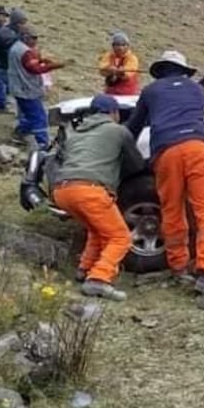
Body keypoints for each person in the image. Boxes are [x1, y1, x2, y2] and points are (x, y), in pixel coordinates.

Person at [124, 51, 204, 291]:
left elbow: (134, 126)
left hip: (167, 152)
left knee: (172, 209)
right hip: (198, 149)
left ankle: (178, 266)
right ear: (183, 70)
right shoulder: (197, 90)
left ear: (160, 71)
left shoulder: (151, 91)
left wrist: (125, 152)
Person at [53, 94, 146, 301]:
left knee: (97, 230)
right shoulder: (118, 131)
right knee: (120, 238)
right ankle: (99, 279)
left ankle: (85, 269)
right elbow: (136, 165)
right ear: (113, 113)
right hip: (90, 190)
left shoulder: (74, 132)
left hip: (62, 191)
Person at [7, 26, 64, 149]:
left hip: (18, 88)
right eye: (33, 38)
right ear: (25, 37)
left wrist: (40, 59)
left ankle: (19, 134)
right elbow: (35, 69)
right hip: (27, 90)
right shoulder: (26, 52)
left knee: (29, 114)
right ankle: (43, 144)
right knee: (39, 117)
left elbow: (27, 63)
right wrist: (54, 66)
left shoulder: (16, 47)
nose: (36, 41)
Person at [0, 7, 29, 92]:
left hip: (9, 67)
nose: (24, 26)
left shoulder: (17, 32)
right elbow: (11, 50)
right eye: (22, 23)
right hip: (2, 67)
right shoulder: (6, 33)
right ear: (16, 23)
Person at [98, 32, 141, 96]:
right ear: (113, 46)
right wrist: (109, 69)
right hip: (110, 91)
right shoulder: (108, 56)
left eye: (123, 45)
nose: (120, 48)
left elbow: (129, 73)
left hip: (127, 93)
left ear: (128, 46)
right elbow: (102, 70)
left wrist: (121, 71)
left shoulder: (132, 58)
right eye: (117, 45)